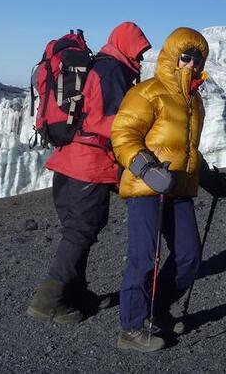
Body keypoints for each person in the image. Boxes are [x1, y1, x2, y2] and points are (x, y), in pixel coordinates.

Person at [110, 27, 226, 352]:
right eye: (186, 57)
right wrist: (147, 170)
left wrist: (208, 179)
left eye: (198, 59)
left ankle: (156, 310)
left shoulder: (195, 102)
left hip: (178, 190)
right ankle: (132, 328)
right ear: (172, 57)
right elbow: (123, 135)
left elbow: (188, 151)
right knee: (144, 258)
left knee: (190, 257)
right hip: (145, 189)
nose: (191, 63)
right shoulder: (148, 92)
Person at [27, 22, 151, 324]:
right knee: (80, 232)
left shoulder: (100, 66)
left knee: (77, 232)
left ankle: (75, 294)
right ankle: (48, 300)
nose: (142, 58)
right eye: (140, 50)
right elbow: (107, 122)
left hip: (67, 163)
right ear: (126, 46)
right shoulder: (113, 71)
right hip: (89, 166)